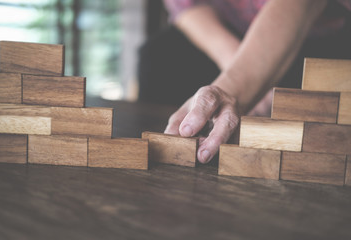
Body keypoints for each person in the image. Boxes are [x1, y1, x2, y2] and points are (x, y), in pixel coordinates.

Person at [138, 0, 351, 164]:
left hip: (314, 35)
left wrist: (236, 84)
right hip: (223, 28)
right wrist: (235, 64)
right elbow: (185, 5)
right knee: (158, 56)